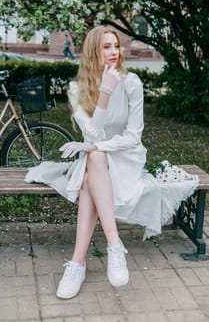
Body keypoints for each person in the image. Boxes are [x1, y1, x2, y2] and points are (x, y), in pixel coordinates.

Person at [25, 25, 199, 300]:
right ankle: (112, 245)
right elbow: (92, 133)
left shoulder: (132, 83)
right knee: (93, 164)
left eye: (116, 46)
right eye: (106, 46)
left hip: (127, 158)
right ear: (94, 51)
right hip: (96, 157)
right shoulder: (76, 88)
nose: (114, 52)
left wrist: (96, 146)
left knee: (90, 168)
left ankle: (78, 263)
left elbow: (132, 137)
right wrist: (104, 93)